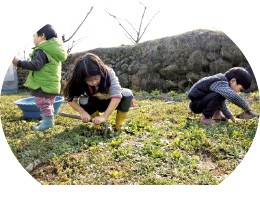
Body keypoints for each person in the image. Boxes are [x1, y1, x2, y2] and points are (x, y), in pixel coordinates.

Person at [12, 24, 67, 131]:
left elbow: (35, 65)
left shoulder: (42, 50)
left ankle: (48, 121)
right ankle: (48, 119)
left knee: (42, 102)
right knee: (48, 103)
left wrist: (19, 63)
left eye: (34, 35)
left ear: (42, 36)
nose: (33, 38)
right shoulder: (54, 50)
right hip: (52, 85)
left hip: (43, 84)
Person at [63, 53, 133, 131]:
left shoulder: (108, 73)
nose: (94, 82)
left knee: (127, 94)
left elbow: (116, 96)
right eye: (89, 80)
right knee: (83, 100)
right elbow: (71, 99)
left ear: (101, 71)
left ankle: (118, 125)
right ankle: (96, 123)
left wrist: (104, 116)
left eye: (96, 78)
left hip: (111, 102)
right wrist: (82, 112)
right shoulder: (78, 78)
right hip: (95, 103)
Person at [188, 67, 256, 125]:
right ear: (233, 81)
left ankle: (218, 115)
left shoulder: (222, 84)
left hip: (201, 101)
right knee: (218, 95)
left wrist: (231, 117)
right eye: (240, 89)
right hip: (196, 104)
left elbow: (221, 104)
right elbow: (233, 96)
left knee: (219, 97)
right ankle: (205, 118)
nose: (239, 91)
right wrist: (247, 108)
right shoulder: (220, 81)